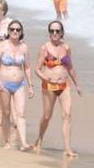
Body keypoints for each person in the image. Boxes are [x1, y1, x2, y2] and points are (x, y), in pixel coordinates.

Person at [33, 21, 83, 157]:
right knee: (47, 116)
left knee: (67, 115)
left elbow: (70, 67)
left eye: (57, 31)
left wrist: (77, 84)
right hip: (49, 85)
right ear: (49, 32)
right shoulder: (44, 48)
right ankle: (40, 139)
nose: (54, 33)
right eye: (52, 31)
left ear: (62, 32)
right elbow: (37, 69)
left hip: (64, 85)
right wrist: (44, 78)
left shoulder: (66, 47)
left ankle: (67, 148)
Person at [0, 20, 35, 150]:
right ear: (8, 31)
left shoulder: (24, 47)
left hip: (19, 85)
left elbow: (27, 67)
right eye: (12, 29)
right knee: (6, 113)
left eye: (17, 30)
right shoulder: (2, 46)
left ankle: (23, 143)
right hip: (4, 84)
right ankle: (7, 141)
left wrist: (31, 85)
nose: (15, 31)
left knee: (20, 114)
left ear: (21, 32)